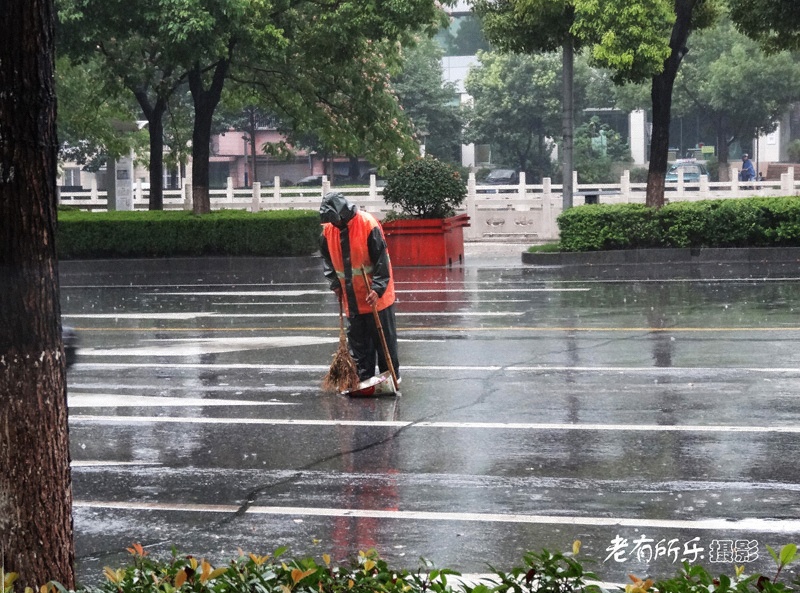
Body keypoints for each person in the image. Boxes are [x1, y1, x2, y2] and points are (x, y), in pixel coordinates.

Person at [319, 192, 400, 384]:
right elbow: (328, 261)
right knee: (359, 344)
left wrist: (377, 288)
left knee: (384, 343)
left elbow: (382, 260)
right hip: (352, 298)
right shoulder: (328, 231)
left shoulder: (367, 224)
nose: (334, 223)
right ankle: (364, 379)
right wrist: (334, 283)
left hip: (376, 298)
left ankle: (390, 379)